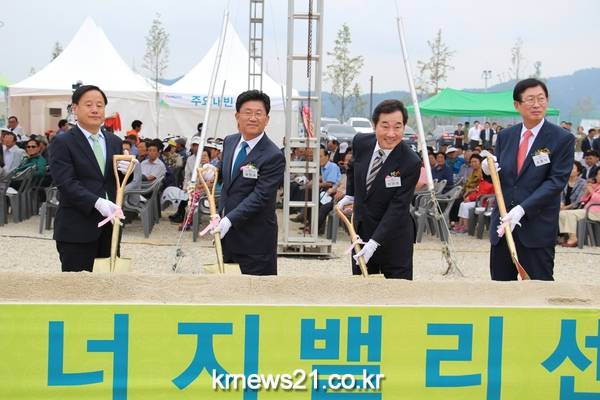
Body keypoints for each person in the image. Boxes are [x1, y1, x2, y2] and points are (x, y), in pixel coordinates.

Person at [483, 78, 574, 281]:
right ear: (517, 105)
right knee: (500, 289)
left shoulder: (561, 138)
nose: (536, 104)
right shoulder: (506, 136)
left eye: (541, 99)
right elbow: (503, 177)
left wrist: (522, 209)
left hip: (536, 229)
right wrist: (488, 171)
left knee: (538, 290)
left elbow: (556, 182)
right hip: (504, 228)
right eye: (530, 99)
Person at [48, 85, 132, 272]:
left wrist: (127, 171)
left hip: (110, 227)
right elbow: (66, 183)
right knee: (77, 285)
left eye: (100, 105)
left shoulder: (114, 141)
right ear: (75, 109)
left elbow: (115, 180)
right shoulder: (63, 142)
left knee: (108, 282)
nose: (95, 110)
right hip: (77, 227)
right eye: (89, 105)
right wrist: (97, 202)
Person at [337, 99, 421, 279]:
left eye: (397, 127)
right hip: (362, 232)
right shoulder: (361, 142)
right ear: (374, 125)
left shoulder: (410, 162)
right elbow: (352, 167)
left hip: (394, 237)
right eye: (385, 126)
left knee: (396, 291)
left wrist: (375, 242)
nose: (391, 134)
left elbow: (398, 206)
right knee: (363, 288)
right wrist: (351, 194)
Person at [215, 90, 285, 275]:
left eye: (258, 113)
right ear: (237, 116)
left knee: (257, 289)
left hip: (255, 240)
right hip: (227, 235)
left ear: (267, 119)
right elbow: (225, 175)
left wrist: (230, 219)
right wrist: (211, 173)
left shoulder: (273, 155)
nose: (253, 118)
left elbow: (260, 196)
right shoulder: (230, 141)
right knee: (227, 287)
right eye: (248, 112)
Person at [558, 168, 600, 247]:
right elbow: (583, 200)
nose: (598, 176)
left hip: (596, 212)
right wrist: (586, 192)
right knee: (562, 213)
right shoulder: (596, 186)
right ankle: (571, 237)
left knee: (570, 214)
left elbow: (598, 199)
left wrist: (591, 191)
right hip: (588, 210)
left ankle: (573, 239)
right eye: (597, 174)